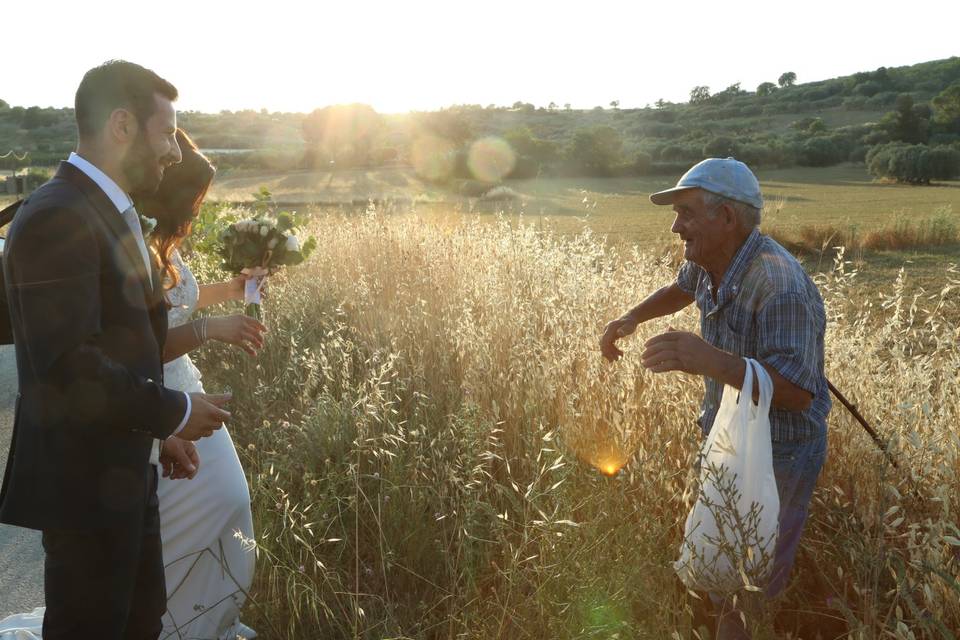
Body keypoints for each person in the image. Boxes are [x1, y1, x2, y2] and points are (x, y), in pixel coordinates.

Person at [0, 60, 232, 640]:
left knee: (137, 622)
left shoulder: (108, 211)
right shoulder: (58, 215)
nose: (176, 154)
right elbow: (69, 366)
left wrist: (160, 435)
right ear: (123, 125)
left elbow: (126, 346)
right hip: (83, 489)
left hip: (126, 471)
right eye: (167, 133)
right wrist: (173, 411)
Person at [600, 158, 831, 639]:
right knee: (725, 561)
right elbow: (680, 288)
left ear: (726, 218)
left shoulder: (780, 284)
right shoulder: (711, 261)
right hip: (728, 435)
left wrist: (709, 360)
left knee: (754, 580)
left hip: (779, 450)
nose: (675, 225)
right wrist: (631, 318)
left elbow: (797, 394)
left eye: (685, 211)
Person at [139, 128, 264, 640]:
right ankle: (171, 624)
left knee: (231, 504)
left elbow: (179, 300)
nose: (199, 208)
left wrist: (231, 290)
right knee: (196, 516)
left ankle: (204, 622)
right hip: (159, 400)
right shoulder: (135, 241)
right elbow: (143, 342)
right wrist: (214, 330)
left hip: (186, 388)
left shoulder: (161, 243)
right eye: (196, 197)